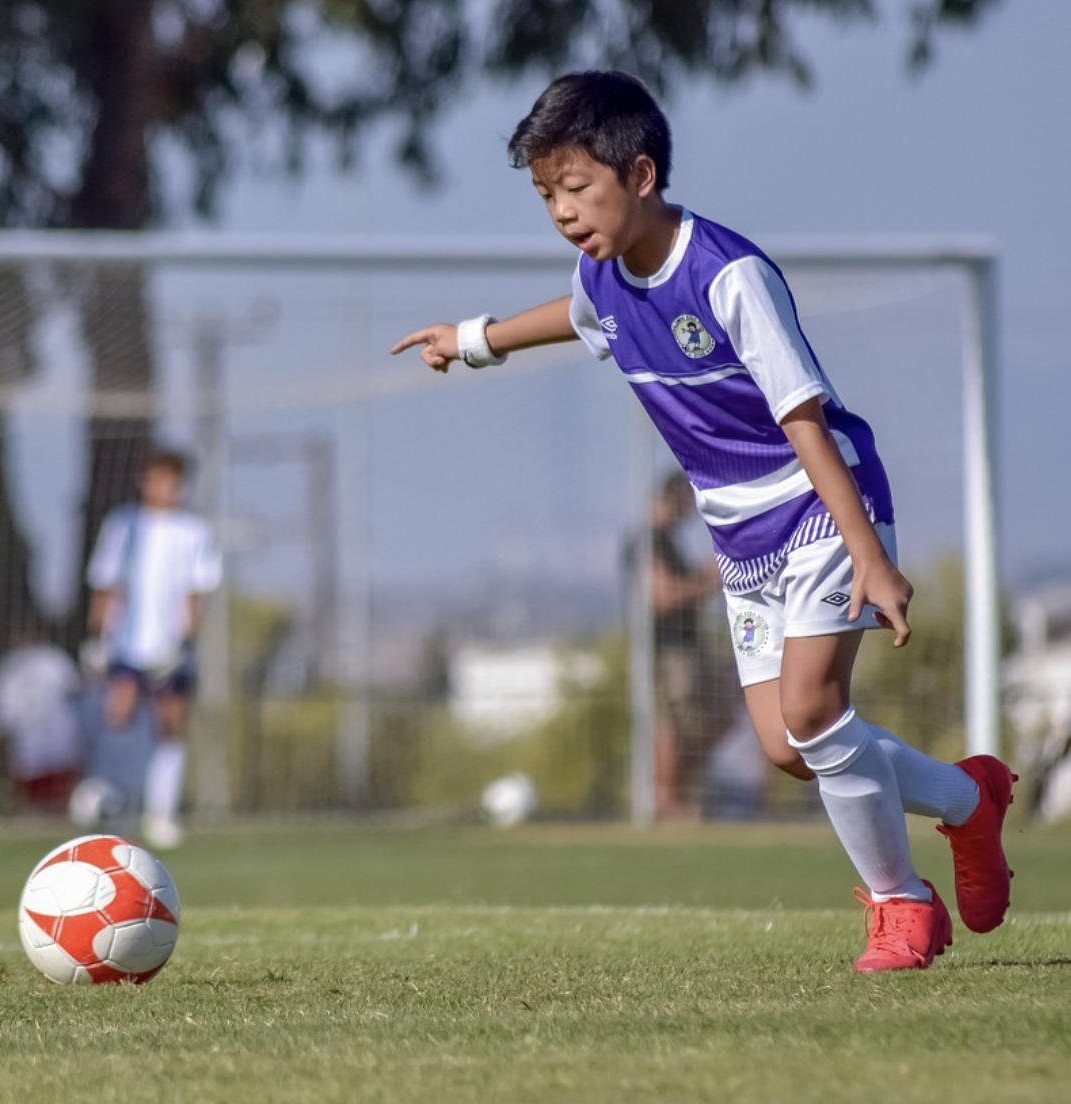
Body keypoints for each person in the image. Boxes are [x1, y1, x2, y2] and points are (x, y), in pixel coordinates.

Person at [390, 70, 1016, 972]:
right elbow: (577, 316)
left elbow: (803, 418)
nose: (563, 212)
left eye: (576, 188)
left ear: (640, 176)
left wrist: (869, 556)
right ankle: (968, 799)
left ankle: (902, 906)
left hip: (818, 504)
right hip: (739, 536)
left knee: (812, 710)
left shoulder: (729, 276)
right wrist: (474, 338)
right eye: (546, 196)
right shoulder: (601, 276)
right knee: (789, 747)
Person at [84, 447, 222, 849]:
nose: (166, 487)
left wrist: (185, 642)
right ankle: (114, 806)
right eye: (159, 477)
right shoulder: (122, 525)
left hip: (169, 647)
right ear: (144, 480)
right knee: (119, 719)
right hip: (126, 644)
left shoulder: (193, 531)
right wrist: (96, 637)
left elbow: (198, 591)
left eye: (174, 480)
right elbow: (107, 583)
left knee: (170, 725)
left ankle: (161, 813)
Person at [633, 471, 734, 820]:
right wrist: (706, 581)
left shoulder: (668, 542)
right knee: (672, 723)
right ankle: (665, 799)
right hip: (669, 650)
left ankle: (677, 787)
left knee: (721, 714)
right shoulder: (650, 540)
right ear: (673, 499)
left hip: (690, 647)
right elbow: (661, 597)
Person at [0, 620, 85, 815]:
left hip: (60, 751)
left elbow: (77, 697)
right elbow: (0, 722)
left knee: (61, 811)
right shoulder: (7, 670)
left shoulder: (53, 659)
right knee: (36, 814)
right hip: (29, 755)